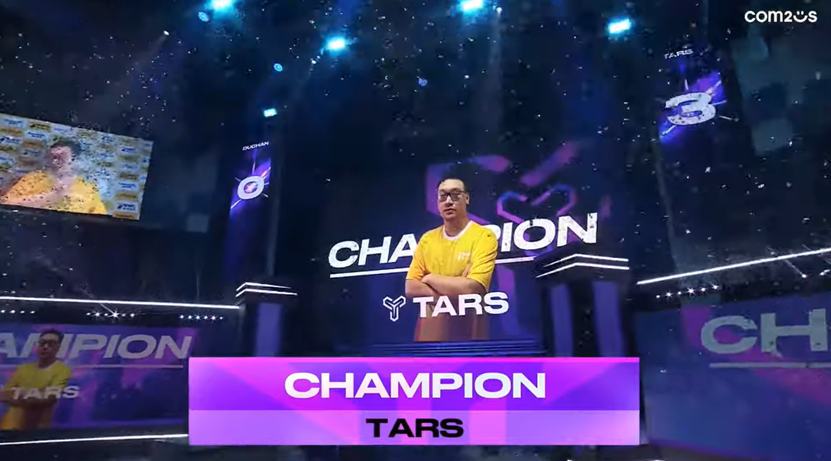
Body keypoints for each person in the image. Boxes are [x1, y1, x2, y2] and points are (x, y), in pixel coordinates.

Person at [405, 177, 498, 342]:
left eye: (455, 195)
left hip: (470, 338)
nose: (448, 201)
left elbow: (472, 288)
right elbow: (411, 287)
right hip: (429, 339)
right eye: (443, 196)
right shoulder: (427, 239)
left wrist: (429, 278)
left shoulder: (484, 237)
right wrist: (455, 291)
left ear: (466, 198)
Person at [0, 139, 107, 215]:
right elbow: (6, 204)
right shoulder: (33, 179)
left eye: (61, 157)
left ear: (76, 160)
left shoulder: (88, 188)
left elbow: (99, 220)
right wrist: (51, 196)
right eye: (52, 157)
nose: (54, 162)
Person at [0, 329, 72, 430]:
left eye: (51, 343)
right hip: (8, 427)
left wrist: (18, 395)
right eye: (42, 343)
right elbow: (4, 395)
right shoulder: (23, 369)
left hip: (36, 430)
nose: (45, 347)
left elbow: (49, 398)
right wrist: (36, 395)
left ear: (58, 347)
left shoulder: (63, 370)